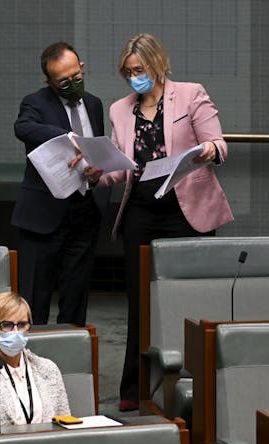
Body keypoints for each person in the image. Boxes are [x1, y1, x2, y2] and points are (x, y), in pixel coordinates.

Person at [95, 33, 233, 411]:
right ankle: (134, 387)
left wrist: (207, 149)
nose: (134, 77)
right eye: (128, 72)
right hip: (141, 210)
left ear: (158, 65)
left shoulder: (190, 94)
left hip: (185, 208)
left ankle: (198, 383)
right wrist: (95, 174)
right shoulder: (120, 109)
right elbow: (119, 168)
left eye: (139, 70)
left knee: (194, 300)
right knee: (140, 301)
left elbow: (220, 145)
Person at [13, 41, 110, 327]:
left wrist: (95, 171)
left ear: (82, 67)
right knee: (34, 298)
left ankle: (71, 361)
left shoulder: (94, 103)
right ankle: (29, 361)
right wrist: (67, 137)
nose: (71, 83)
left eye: (76, 77)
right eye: (63, 81)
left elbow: (93, 151)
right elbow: (23, 127)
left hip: (84, 211)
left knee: (76, 297)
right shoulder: (35, 102)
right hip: (44, 213)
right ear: (49, 81)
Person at [0, 292, 70, 429]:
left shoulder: (49, 369)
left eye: (22, 324)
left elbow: (64, 425)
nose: (16, 332)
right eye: (7, 325)